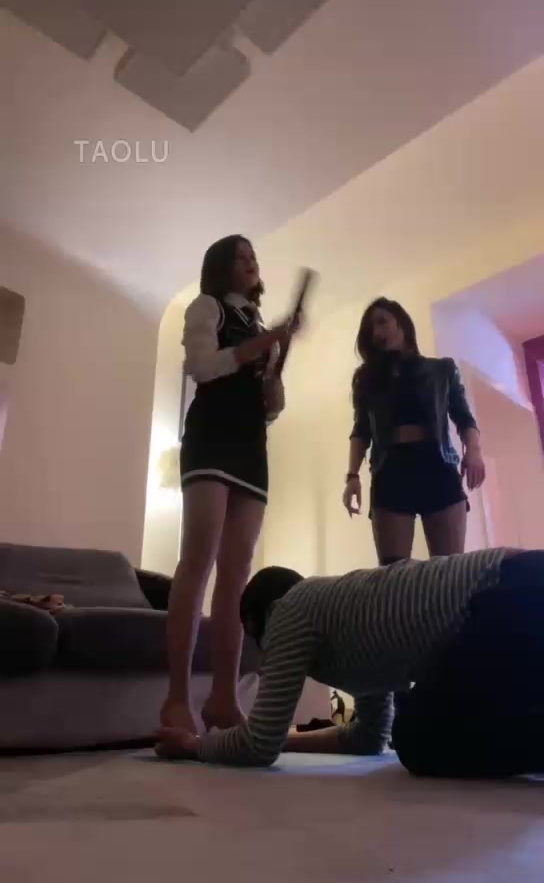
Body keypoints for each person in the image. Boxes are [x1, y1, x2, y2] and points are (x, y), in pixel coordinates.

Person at [157, 550, 544, 779]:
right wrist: (287, 737)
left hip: (509, 596)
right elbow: (370, 737)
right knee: (416, 726)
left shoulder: (288, 610)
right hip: (521, 584)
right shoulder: (350, 624)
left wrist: (195, 746)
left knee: (419, 738)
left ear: (259, 622)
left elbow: (258, 746)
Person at [158, 235, 298, 742]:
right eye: (241, 256)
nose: (251, 261)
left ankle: (223, 699)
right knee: (197, 563)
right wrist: (261, 345)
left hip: (251, 447)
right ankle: (177, 699)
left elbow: (271, 407)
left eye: (253, 256)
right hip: (210, 438)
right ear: (221, 265)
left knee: (236, 576)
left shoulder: (260, 327)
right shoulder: (206, 307)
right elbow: (202, 367)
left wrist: (274, 381)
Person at [343, 298, 485, 563]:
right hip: (390, 471)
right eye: (371, 329)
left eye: (382, 322)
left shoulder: (442, 369)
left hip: (438, 467)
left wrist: (473, 451)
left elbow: (464, 418)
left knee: (448, 569)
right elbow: (361, 430)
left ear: (402, 324)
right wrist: (352, 476)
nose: (377, 333)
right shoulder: (368, 379)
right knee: (393, 573)